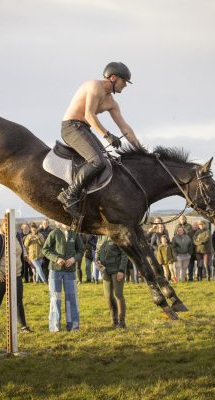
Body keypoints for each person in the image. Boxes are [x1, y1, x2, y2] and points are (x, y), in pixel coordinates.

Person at [57, 62, 140, 217]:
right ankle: (69, 194)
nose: (125, 86)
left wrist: (140, 149)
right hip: (71, 127)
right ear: (113, 78)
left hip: (84, 129)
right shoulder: (95, 86)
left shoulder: (112, 103)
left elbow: (125, 128)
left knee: (107, 162)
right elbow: (89, 115)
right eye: (124, 81)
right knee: (97, 161)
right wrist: (107, 135)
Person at [0, 218, 31, 332]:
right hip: (1, 277)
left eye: (11, 226)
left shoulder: (17, 236)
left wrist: (27, 258)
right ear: (2, 227)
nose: (9, 229)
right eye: (6, 226)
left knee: (18, 301)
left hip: (16, 275)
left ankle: (23, 326)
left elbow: (22, 249)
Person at [42, 223, 84, 332]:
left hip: (70, 272)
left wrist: (74, 259)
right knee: (55, 298)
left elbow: (81, 250)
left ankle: (73, 326)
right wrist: (56, 259)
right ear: (58, 223)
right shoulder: (54, 233)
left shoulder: (74, 234)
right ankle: (55, 327)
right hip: (55, 271)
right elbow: (45, 249)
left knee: (72, 299)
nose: (66, 223)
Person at [95, 235, 128, 328]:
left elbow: (124, 254)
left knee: (118, 294)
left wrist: (121, 270)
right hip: (105, 271)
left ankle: (122, 322)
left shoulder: (116, 236)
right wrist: (97, 260)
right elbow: (97, 250)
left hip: (117, 270)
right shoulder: (100, 237)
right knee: (108, 296)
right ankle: (114, 320)